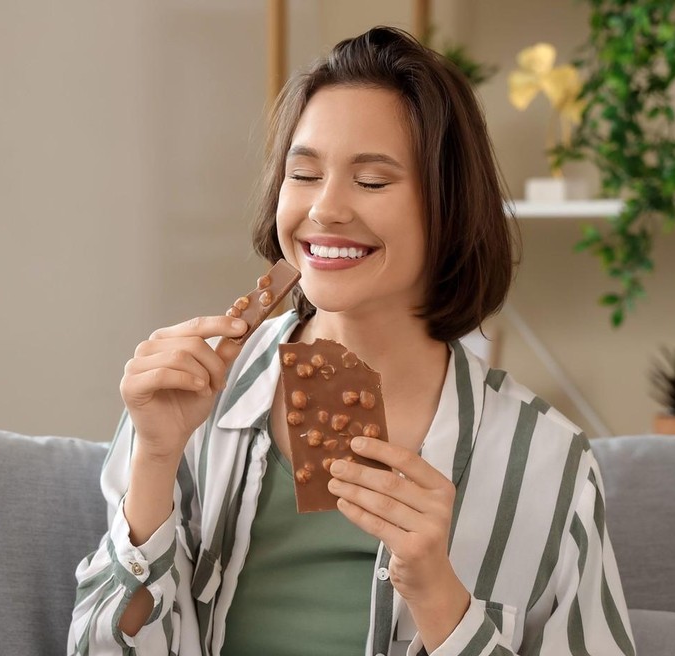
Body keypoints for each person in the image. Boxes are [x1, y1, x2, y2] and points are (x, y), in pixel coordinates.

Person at [68, 26, 635, 656]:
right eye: (304, 174)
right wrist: (154, 460)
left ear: (449, 208)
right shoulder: (187, 400)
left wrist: (440, 599)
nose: (325, 209)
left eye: (371, 181)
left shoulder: (549, 464)